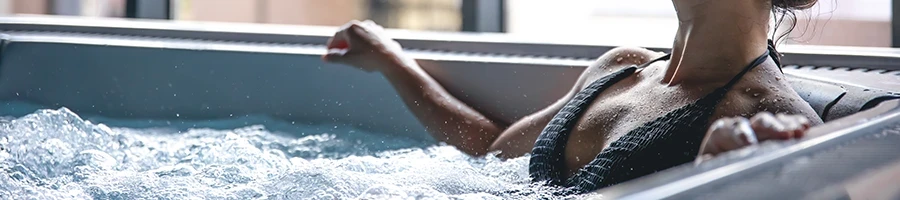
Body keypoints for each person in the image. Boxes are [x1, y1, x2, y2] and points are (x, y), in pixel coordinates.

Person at [322, 0, 822, 194]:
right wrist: (393, 61)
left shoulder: (769, 120)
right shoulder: (619, 67)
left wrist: (713, 176)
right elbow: (490, 151)